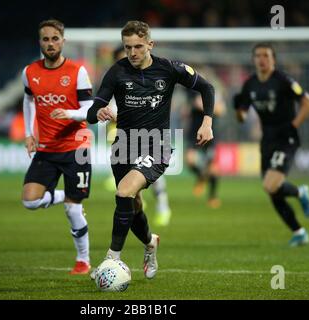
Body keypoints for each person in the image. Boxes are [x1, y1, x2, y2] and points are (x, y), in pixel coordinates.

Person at [86, 21, 215, 279]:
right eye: (127, 47)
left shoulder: (168, 69)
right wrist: (98, 111)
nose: (132, 52)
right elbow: (92, 111)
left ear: (150, 45)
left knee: (123, 192)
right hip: (123, 147)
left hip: (156, 146)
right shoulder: (116, 72)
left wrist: (207, 121)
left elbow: (207, 87)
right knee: (132, 206)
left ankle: (111, 260)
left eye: (138, 47)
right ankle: (150, 243)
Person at [21, 19, 94, 274]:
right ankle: (69, 194)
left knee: (73, 211)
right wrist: (29, 133)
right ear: (39, 42)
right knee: (30, 201)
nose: (50, 43)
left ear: (63, 41)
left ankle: (83, 260)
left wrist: (71, 114)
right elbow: (29, 100)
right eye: (45, 39)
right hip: (47, 147)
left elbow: (89, 108)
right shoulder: (30, 72)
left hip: (77, 146)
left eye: (55, 38)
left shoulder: (77, 71)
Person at [234, 43, 309, 247]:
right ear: (253, 59)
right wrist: (238, 109)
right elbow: (242, 116)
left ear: (273, 59)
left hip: (286, 139)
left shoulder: (283, 80)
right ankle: (299, 232)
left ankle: (301, 193)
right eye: (258, 56)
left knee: (270, 184)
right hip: (267, 140)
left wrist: (293, 125)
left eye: (266, 56)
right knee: (272, 190)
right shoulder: (250, 84)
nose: (262, 59)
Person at [104, 46, 173, 227]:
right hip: (125, 140)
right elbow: (107, 112)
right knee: (130, 194)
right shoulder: (115, 82)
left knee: (152, 176)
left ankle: (163, 206)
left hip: (148, 138)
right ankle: (146, 233)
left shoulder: (147, 80)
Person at [185, 68, 226, 208]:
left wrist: (207, 106)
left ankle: (212, 197)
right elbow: (191, 107)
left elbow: (222, 110)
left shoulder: (212, 91)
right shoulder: (190, 92)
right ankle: (201, 176)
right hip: (193, 132)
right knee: (190, 161)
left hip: (210, 133)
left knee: (213, 168)